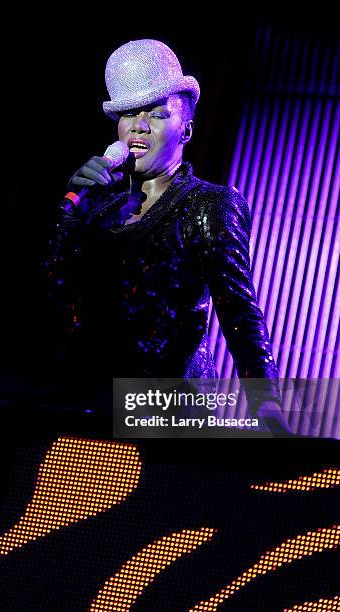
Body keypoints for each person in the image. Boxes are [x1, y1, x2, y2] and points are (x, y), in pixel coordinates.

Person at [44, 39, 292, 435]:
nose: (140, 124)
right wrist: (71, 217)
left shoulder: (208, 204)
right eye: (129, 113)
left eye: (157, 114)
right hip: (91, 402)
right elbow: (56, 302)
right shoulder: (99, 209)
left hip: (171, 410)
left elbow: (239, 312)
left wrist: (268, 406)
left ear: (186, 130)